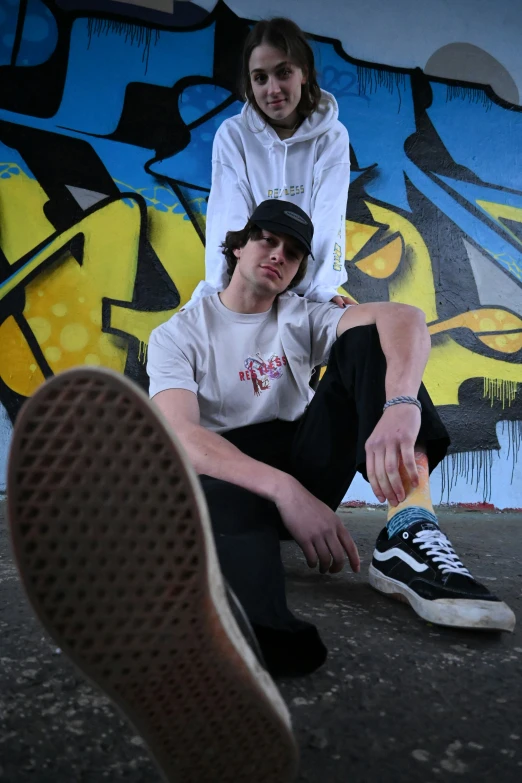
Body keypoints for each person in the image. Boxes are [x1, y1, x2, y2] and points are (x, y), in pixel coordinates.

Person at [7, 200, 515, 783]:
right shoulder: (182, 330)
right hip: (231, 471)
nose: (279, 255)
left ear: (299, 269)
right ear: (237, 246)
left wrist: (400, 404)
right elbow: (181, 433)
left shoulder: (303, 315)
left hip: (302, 454)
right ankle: (245, 651)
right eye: (267, 240)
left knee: (369, 338)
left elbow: (404, 316)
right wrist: (286, 492)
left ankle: (408, 528)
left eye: (293, 252)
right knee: (234, 533)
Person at [189, 16, 354, 310]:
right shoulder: (233, 135)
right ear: (250, 83)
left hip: (304, 286)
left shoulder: (331, 136)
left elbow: (330, 216)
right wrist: (217, 290)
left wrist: (323, 289)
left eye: (283, 72)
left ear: (303, 72)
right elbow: (228, 218)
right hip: (251, 285)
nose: (273, 89)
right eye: (260, 78)